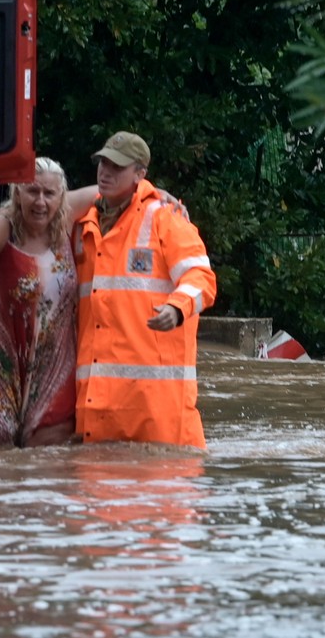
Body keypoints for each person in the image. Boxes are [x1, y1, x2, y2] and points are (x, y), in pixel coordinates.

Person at [72, 130, 217, 449]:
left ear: (141, 174)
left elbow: (201, 278)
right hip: (98, 413)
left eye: (117, 167)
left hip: (159, 418)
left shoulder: (166, 218)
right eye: (102, 163)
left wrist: (177, 307)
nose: (105, 172)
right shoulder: (85, 225)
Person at [0, 157, 95, 449]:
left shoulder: (65, 218)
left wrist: (159, 198)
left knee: (48, 450)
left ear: (61, 196)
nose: (40, 201)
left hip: (51, 358)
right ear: (17, 194)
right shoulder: (5, 225)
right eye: (32, 192)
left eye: (49, 194)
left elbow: (116, 188)